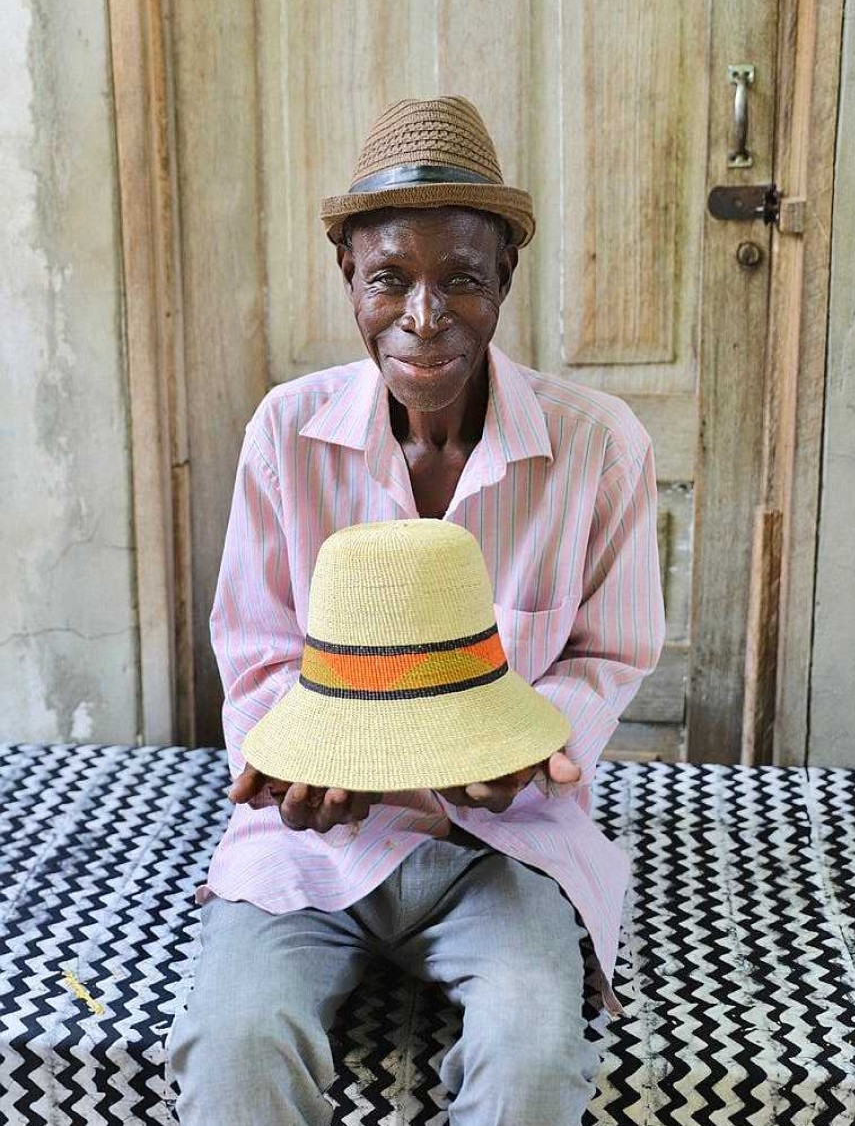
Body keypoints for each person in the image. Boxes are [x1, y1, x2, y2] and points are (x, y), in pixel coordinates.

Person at [167, 95, 666, 1125]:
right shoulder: (285, 432)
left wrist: (534, 748)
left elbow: (609, 651)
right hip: (314, 841)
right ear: (349, 277)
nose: (425, 315)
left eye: (464, 279)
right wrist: (291, 763)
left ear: (506, 284)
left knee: (534, 1061)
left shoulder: (601, 446)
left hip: (507, 838)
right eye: (390, 276)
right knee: (232, 1045)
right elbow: (256, 648)